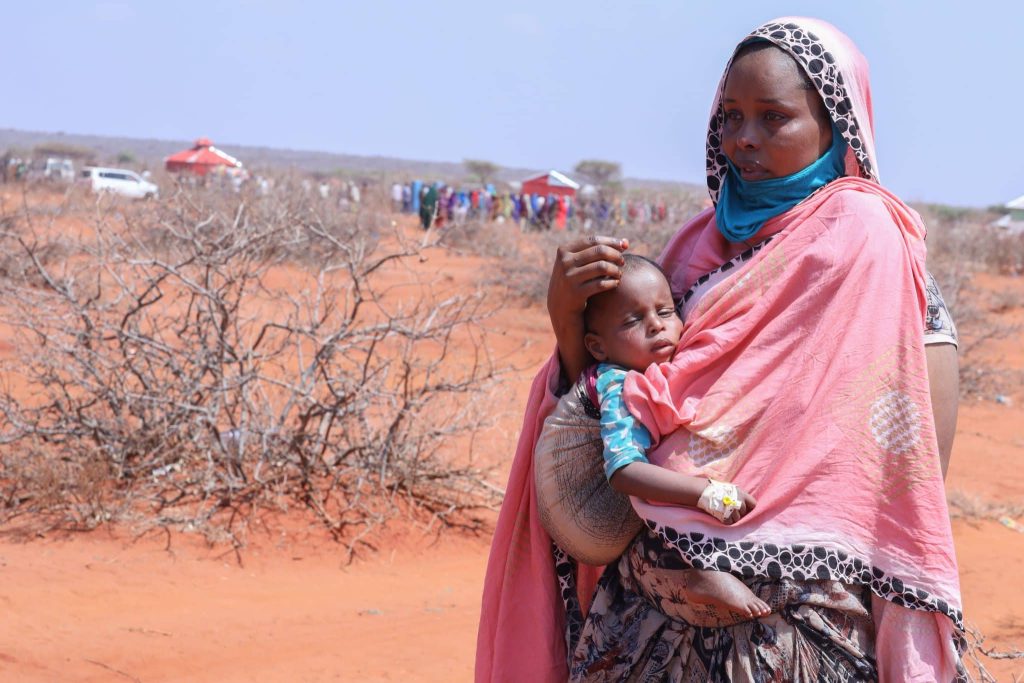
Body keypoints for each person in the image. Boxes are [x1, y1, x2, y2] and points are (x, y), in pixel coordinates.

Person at [478, 16, 965, 682]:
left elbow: (909, 472)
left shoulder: (869, 246)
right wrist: (568, 326)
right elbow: (614, 413)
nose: (743, 139)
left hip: (789, 628)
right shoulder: (691, 250)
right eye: (731, 115)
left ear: (835, 124)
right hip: (644, 619)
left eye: (775, 118)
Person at [556, 252, 771, 620]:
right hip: (622, 512)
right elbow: (625, 471)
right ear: (597, 346)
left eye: (666, 312)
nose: (656, 326)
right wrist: (706, 493)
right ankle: (693, 575)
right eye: (633, 320)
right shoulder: (619, 386)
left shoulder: (660, 366)